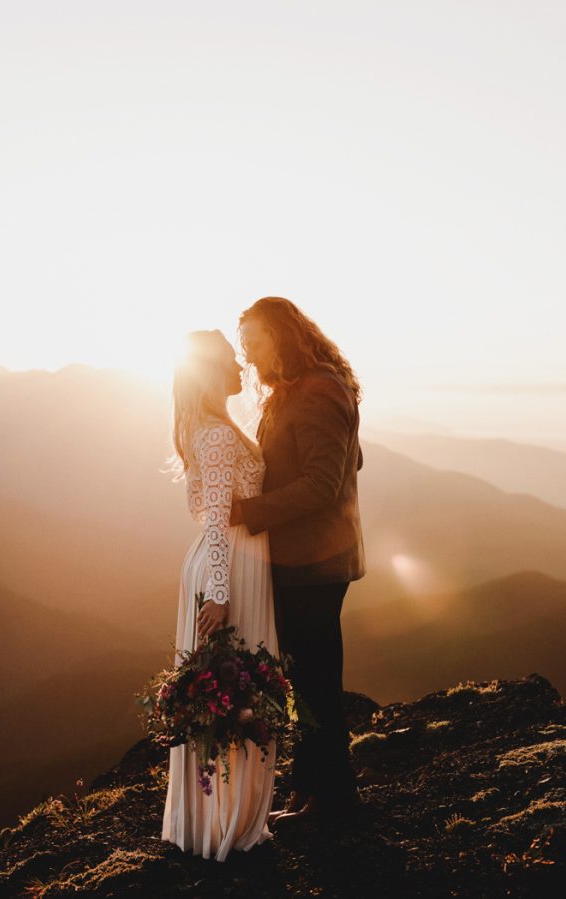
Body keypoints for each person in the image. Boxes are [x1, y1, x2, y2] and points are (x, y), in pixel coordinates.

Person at [231, 296, 366, 824]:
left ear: (282, 337)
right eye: (243, 345)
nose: (248, 355)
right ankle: (312, 789)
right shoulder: (298, 390)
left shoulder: (316, 392)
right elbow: (351, 458)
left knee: (315, 680)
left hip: (316, 562)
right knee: (306, 677)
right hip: (303, 558)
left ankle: (332, 799)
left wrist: (247, 510)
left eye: (254, 342)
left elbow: (322, 483)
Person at [161, 329, 278, 861]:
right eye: (231, 359)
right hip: (226, 567)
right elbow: (214, 521)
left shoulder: (212, 429)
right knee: (233, 694)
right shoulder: (215, 435)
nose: (240, 365)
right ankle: (224, 827)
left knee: (232, 696)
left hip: (226, 564)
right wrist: (221, 594)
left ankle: (221, 818)